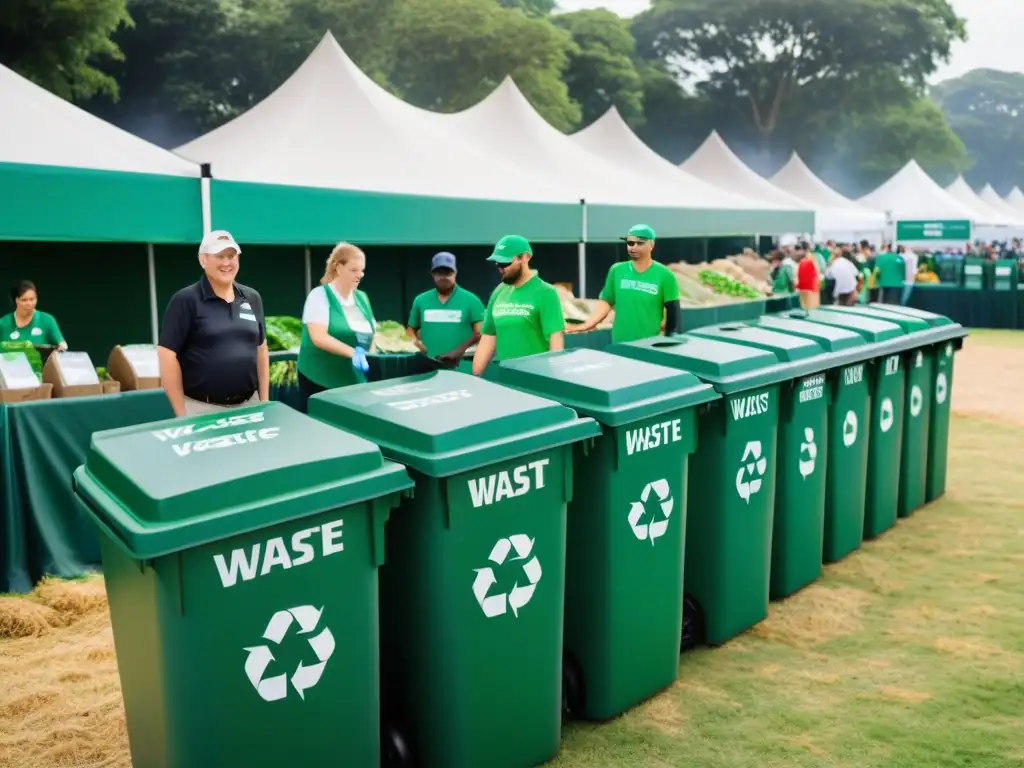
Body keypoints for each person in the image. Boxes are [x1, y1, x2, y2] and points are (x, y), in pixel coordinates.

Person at [158, 230, 269, 417]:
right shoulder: (185, 300)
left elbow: (262, 350)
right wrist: (181, 413)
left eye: (231, 256)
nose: (227, 263)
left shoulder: (252, 297)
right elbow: (166, 356)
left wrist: (264, 400)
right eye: (219, 256)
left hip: (250, 405)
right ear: (203, 260)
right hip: (201, 409)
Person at [296, 242, 377, 412]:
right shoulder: (319, 296)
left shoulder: (362, 298)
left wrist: (372, 357)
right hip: (320, 382)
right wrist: (353, 353)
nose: (359, 275)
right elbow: (318, 337)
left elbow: (372, 332)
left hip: (354, 383)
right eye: (353, 270)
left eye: (362, 270)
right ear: (338, 267)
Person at [567, 224, 680, 343]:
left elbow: (673, 313)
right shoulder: (617, 270)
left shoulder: (665, 275)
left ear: (651, 244)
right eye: (630, 243)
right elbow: (607, 301)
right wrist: (587, 325)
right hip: (620, 344)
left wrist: (667, 341)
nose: (633, 247)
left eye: (639, 243)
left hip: (650, 346)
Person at [471, 234, 564, 376]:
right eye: (497, 264)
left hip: (536, 377)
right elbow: (488, 336)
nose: (500, 268)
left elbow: (555, 339)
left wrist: (555, 378)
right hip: (506, 377)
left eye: (505, 263)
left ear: (525, 258)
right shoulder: (499, 291)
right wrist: (475, 376)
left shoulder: (546, 293)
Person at [407, 251, 485, 367]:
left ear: (455, 273)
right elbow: (411, 330)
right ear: (432, 274)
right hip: (427, 367)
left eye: (447, 273)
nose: (443, 277)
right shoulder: (421, 300)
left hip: (461, 369)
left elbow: (480, 333)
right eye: (439, 273)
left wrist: (458, 352)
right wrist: (416, 343)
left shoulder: (472, 300)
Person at [0, 281, 67, 350]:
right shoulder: (3, 323)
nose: (29, 303)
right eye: (24, 300)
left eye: (32, 299)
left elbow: (62, 344)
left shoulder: (47, 320)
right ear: (16, 300)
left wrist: (61, 346)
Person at [795, 244, 820, 310]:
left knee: (806, 307)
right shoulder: (811, 259)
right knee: (811, 308)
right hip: (810, 288)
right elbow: (816, 273)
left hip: (805, 288)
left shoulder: (804, 261)